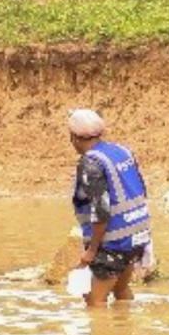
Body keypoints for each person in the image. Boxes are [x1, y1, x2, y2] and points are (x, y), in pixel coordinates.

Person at [69, 108, 152, 308]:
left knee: (94, 302)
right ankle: (128, 334)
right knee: (121, 290)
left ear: (74, 138)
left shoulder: (91, 163)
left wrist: (92, 251)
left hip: (113, 242)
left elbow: (101, 211)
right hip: (136, 235)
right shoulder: (122, 151)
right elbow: (141, 190)